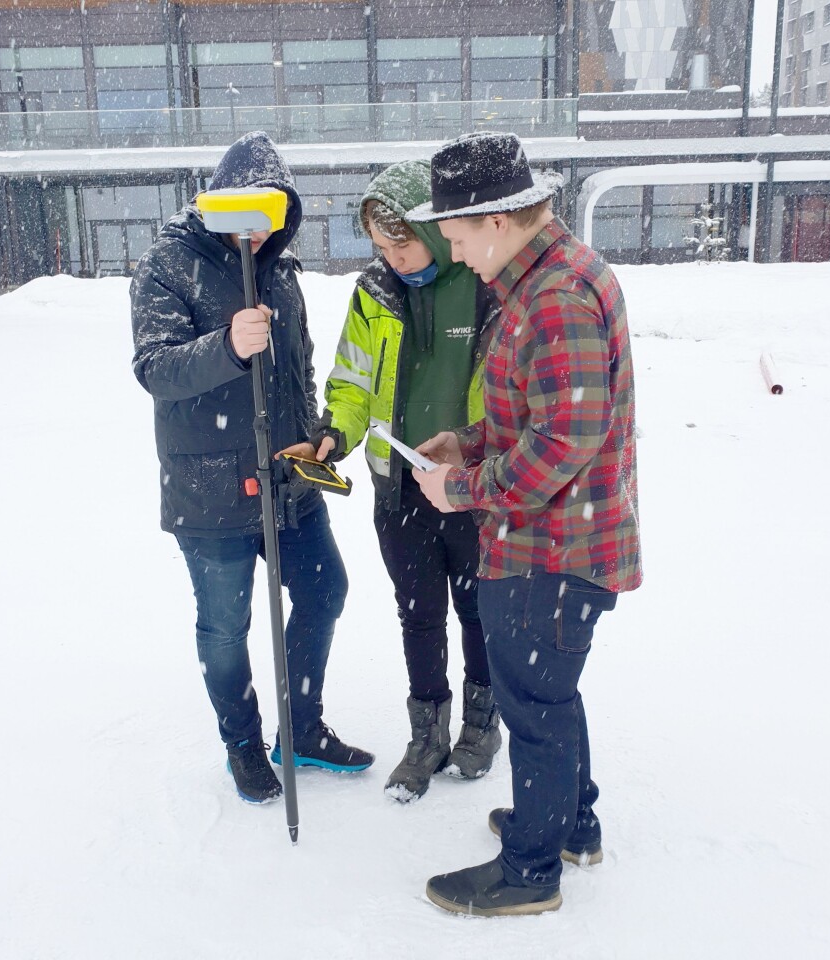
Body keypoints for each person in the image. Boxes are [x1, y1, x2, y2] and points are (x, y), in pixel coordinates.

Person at [408, 132, 642, 916]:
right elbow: (542, 415)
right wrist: (467, 441)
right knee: (551, 691)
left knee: (533, 706)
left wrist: (465, 486)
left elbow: (565, 442)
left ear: (499, 222)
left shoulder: (554, 296)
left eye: (461, 237)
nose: (460, 253)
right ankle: (569, 823)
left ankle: (531, 870)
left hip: (552, 549)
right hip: (555, 540)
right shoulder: (544, 278)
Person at [129, 131, 373, 805]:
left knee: (324, 590)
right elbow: (155, 368)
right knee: (224, 626)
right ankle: (242, 742)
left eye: (274, 217)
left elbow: (298, 369)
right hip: (210, 491)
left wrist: (317, 435)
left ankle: (300, 728)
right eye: (249, 214)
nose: (260, 233)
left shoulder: (279, 269)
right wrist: (228, 347)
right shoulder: (168, 265)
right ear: (218, 203)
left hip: (287, 477)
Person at [281, 160, 502, 801]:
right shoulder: (375, 295)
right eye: (381, 248)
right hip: (399, 488)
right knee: (419, 615)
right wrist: (335, 433)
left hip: (474, 487)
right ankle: (427, 732)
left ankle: (482, 723)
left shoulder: (484, 282)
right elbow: (351, 384)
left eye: (401, 243)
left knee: (479, 613)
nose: (393, 259)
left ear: (432, 230)